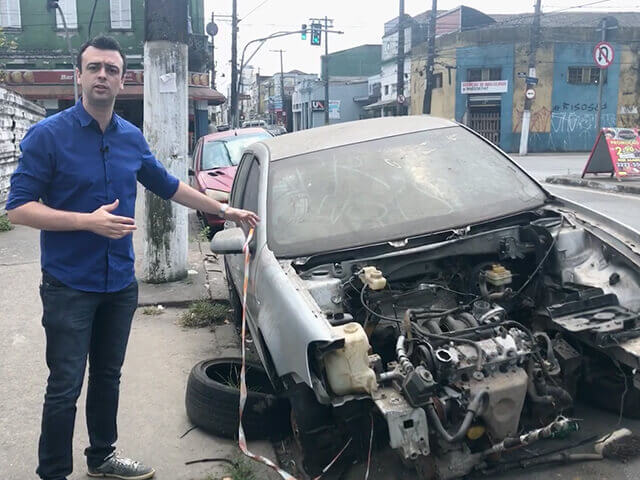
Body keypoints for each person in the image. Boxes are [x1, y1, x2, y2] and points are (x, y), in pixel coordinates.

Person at [6, 36, 259, 480]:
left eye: (112, 69)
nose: (103, 75)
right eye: (95, 67)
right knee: (64, 387)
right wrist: (86, 222)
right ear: (78, 75)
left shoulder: (130, 137)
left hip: (119, 283)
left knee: (108, 376)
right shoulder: (48, 136)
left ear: (123, 81)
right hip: (68, 284)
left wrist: (222, 208)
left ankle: (102, 457)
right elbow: (19, 207)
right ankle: (53, 473)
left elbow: (166, 183)